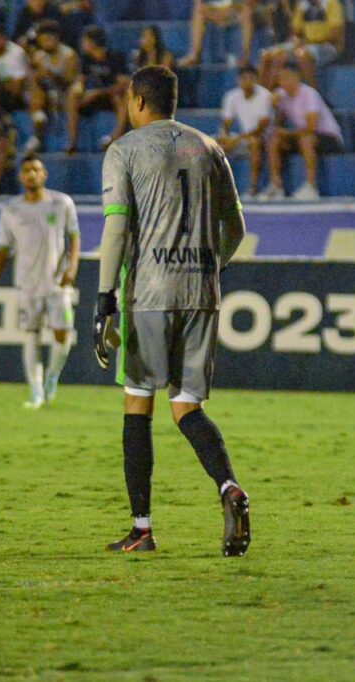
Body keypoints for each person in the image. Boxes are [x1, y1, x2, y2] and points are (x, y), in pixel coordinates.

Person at [94, 65, 250, 557]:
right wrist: (209, 266)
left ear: (139, 101)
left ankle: (142, 529)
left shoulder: (124, 150)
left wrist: (104, 301)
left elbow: (116, 230)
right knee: (187, 406)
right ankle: (230, 489)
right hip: (203, 290)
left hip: (151, 293)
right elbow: (237, 228)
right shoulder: (210, 147)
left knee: (138, 401)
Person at [0, 153, 80, 408]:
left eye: (36, 170)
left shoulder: (61, 203)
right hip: (27, 283)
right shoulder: (11, 209)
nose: (31, 174)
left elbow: (74, 238)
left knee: (63, 336)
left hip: (57, 284)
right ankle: (37, 393)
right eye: (26, 170)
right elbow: (4, 248)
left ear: (44, 174)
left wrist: (72, 268)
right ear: (20, 176)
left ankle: (52, 376)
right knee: (31, 335)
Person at [259, 64, 343, 200]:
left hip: (328, 137)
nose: (284, 81)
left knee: (306, 139)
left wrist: (287, 134)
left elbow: (311, 127)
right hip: (301, 136)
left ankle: (311, 187)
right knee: (275, 139)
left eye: (287, 77)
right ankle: (276, 186)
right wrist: (274, 108)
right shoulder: (281, 95)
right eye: (281, 78)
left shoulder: (309, 93)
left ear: (298, 77)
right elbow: (276, 126)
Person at [65, 25, 128, 153]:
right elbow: (81, 80)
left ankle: (115, 137)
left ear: (92, 42)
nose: (82, 44)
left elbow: (123, 85)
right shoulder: (86, 59)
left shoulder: (115, 57)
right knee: (72, 96)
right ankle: (73, 141)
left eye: (84, 41)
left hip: (110, 96)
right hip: (92, 97)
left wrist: (98, 93)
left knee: (121, 98)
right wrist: (79, 88)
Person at [0, 25, 38, 150]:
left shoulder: (17, 52)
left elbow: (17, 85)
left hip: (18, 95)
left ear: (6, 39)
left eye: (0, 38)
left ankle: (33, 136)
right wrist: (2, 83)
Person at [260, 0, 344, 87]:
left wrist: (307, 42)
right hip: (306, 44)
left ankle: (312, 95)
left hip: (328, 46)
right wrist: (296, 41)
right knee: (269, 55)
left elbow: (335, 35)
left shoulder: (332, 3)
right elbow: (296, 31)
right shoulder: (303, 4)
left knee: (302, 55)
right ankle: (265, 95)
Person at [218, 65, 273, 196]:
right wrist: (225, 137)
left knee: (254, 142)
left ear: (257, 80)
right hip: (244, 138)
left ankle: (253, 189)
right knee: (213, 145)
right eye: (243, 78)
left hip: (266, 138)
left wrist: (236, 139)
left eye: (250, 78)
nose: (247, 81)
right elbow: (226, 123)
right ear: (238, 80)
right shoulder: (231, 96)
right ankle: (217, 189)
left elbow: (261, 128)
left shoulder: (265, 95)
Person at [29, 19, 78, 144]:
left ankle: (71, 140)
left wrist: (50, 75)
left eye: (47, 40)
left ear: (55, 38)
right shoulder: (39, 57)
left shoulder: (68, 55)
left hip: (66, 94)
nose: (44, 43)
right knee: (35, 84)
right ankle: (38, 121)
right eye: (42, 40)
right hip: (47, 94)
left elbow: (69, 82)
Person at [180, 1, 258, 67]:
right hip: (214, 11)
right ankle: (194, 54)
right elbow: (198, 2)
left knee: (247, 11)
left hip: (234, 11)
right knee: (198, 11)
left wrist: (230, 10)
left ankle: (245, 56)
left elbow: (248, 3)